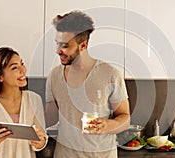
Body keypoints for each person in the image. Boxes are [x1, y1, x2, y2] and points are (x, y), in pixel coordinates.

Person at [45, 10, 131, 157]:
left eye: (65, 46)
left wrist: (107, 125)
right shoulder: (54, 76)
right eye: (57, 44)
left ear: (83, 45)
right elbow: (49, 118)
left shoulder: (110, 74)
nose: (58, 51)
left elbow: (125, 118)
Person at [0, 47, 48, 158]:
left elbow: (40, 144)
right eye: (14, 68)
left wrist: (40, 141)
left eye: (22, 64)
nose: (23, 70)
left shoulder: (34, 99)